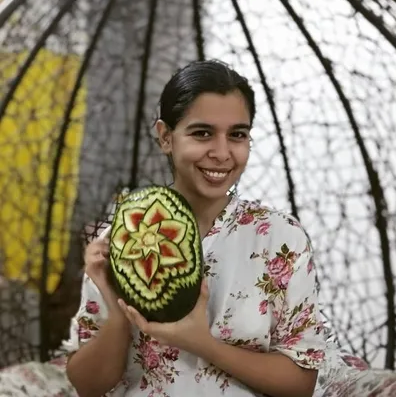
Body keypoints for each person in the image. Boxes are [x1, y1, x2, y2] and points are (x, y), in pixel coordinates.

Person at [64, 59, 329, 397]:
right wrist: (117, 312)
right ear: (166, 137)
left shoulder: (281, 239)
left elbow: (301, 384)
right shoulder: (123, 237)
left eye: (237, 135)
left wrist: (202, 343)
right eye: (202, 133)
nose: (221, 152)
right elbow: (87, 386)